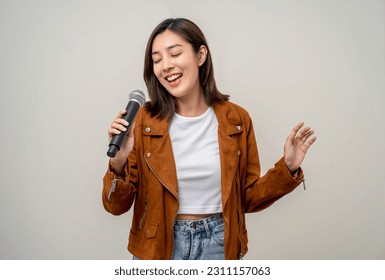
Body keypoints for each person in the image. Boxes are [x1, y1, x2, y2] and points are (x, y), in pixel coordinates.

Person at [102, 18, 316, 260]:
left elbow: (246, 198)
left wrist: (287, 168)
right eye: (157, 59)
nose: (166, 66)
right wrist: (118, 162)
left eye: (175, 54)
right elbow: (115, 207)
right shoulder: (142, 122)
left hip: (218, 243)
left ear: (200, 55)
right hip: (157, 247)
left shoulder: (236, 119)